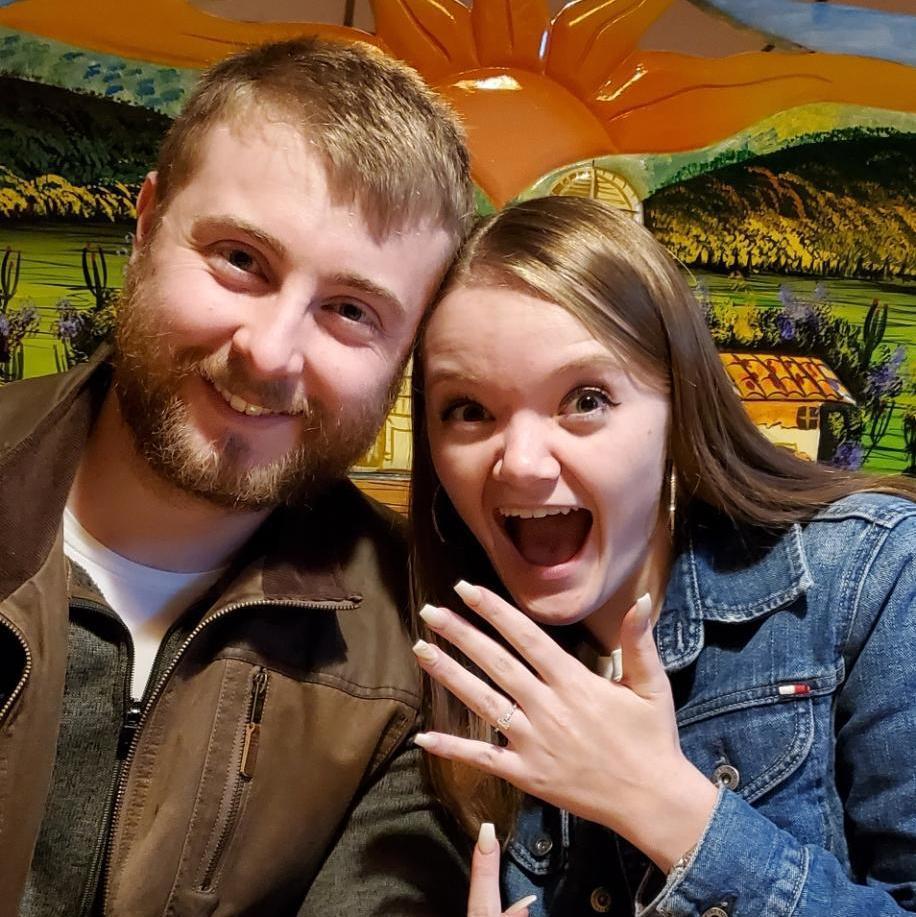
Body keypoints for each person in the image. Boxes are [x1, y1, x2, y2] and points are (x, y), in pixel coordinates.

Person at [0, 37, 474, 916]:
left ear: (407, 353)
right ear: (146, 226)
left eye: (351, 310)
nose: (270, 352)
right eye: (240, 259)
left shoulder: (418, 654)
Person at [407, 195, 916, 916]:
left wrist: (664, 807)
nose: (519, 463)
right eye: (468, 409)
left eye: (585, 399)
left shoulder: (871, 576)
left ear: (679, 409)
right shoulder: (447, 668)